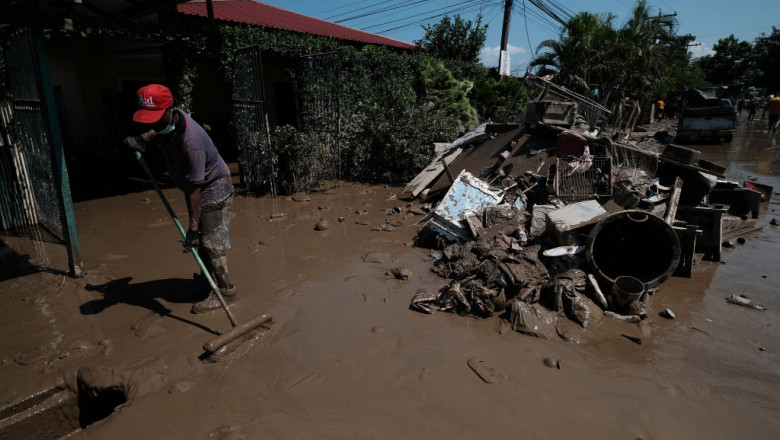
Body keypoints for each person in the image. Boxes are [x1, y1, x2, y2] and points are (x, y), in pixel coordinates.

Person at [124, 84, 238, 313]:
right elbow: (159, 127)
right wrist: (144, 139)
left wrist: (193, 229)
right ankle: (207, 283)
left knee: (209, 243)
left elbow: (195, 191)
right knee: (202, 242)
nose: (151, 124)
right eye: (148, 120)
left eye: (156, 118)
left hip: (212, 187)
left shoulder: (191, 143)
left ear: (171, 110)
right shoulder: (168, 122)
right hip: (195, 185)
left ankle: (226, 292)